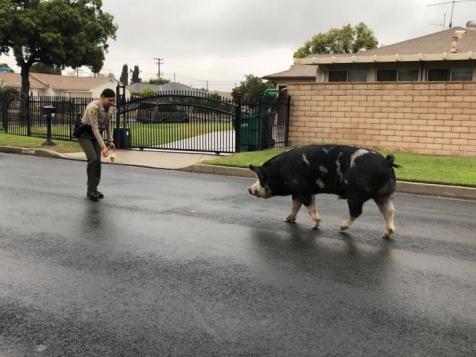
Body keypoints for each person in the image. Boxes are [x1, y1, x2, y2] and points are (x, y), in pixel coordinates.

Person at [77, 88, 116, 201]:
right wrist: (104, 147)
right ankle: (90, 190)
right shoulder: (93, 108)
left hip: (96, 134)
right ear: (102, 97)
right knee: (93, 159)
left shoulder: (110, 109)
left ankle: (95, 188)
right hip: (84, 134)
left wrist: (110, 140)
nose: (112, 103)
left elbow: (108, 125)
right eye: (110, 100)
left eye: (113, 100)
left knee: (98, 161)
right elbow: (94, 128)